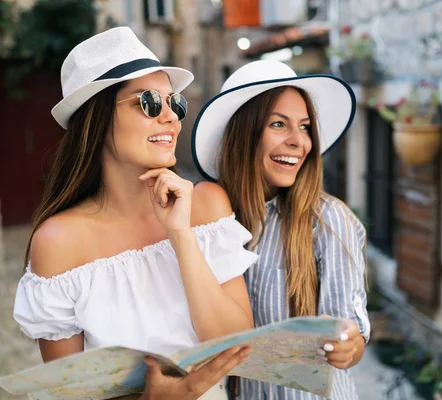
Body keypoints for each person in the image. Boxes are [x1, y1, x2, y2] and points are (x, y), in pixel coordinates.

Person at [12, 27, 258, 400]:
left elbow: (236, 347)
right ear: (95, 120)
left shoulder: (205, 205)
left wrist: (181, 235)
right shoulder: (59, 243)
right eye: (147, 102)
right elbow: (69, 394)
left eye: (174, 103)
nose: (170, 118)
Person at [191, 60, 370, 399]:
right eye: (279, 124)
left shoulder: (328, 221)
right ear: (243, 134)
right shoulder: (213, 221)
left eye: (304, 128)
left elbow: (352, 333)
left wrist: (349, 345)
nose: (298, 142)